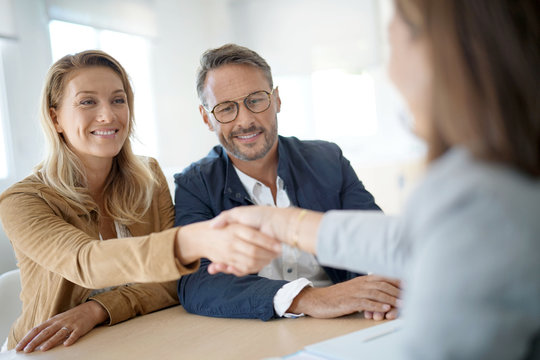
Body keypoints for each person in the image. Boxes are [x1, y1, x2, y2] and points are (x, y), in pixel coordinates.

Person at [212, 0, 540, 358]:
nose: (391, 71)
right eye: (227, 107)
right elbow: (407, 240)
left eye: (393, 41)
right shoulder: (496, 176)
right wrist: (283, 224)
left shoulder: (478, 193)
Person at [0, 50, 281, 353]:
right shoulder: (22, 200)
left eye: (118, 100)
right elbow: (85, 262)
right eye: (87, 102)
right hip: (47, 350)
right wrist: (187, 242)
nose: (108, 115)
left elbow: (174, 281)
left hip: (139, 338)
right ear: (55, 118)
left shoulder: (149, 177)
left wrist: (97, 309)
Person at [175, 43, 402, 322]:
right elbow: (195, 284)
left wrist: (388, 285)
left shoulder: (328, 159)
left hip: (347, 323)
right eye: (225, 108)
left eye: (256, 100)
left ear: (277, 100)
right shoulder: (195, 185)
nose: (245, 120)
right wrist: (308, 299)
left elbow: (377, 240)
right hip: (258, 333)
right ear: (206, 118)